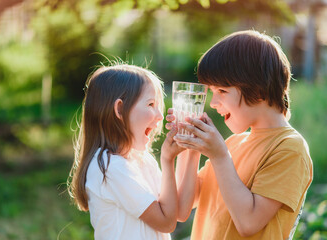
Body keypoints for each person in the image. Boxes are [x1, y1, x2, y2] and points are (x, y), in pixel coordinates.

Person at [166, 30, 313, 240]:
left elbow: (249, 222)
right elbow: (182, 208)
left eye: (222, 91)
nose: (213, 103)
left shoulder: (289, 148)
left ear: (259, 90)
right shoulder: (233, 144)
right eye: (211, 92)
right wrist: (190, 145)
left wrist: (218, 155)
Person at [68, 64, 183, 240]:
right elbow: (166, 222)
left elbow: (178, 209)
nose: (160, 115)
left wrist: (191, 149)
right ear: (120, 109)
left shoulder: (142, 160)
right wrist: (167, 160)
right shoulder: (110, 168)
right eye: (151, 104)